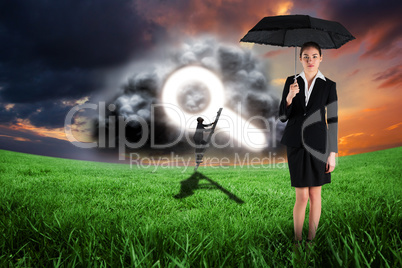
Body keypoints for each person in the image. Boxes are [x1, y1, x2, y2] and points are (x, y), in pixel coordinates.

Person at [278, 42, 338, 246]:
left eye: (314, 56)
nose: (310, 60)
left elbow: (333, 119)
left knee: (315, 193)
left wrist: (332, 153)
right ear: (300, 58)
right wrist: (289, 97)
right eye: (305, 56)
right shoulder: (291, 81)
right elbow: (282, 116)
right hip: (295, 142)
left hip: (319, 145)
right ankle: (297, 240)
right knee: (302, 195)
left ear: (321, 58)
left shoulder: (329, 85)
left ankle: (311, 241)